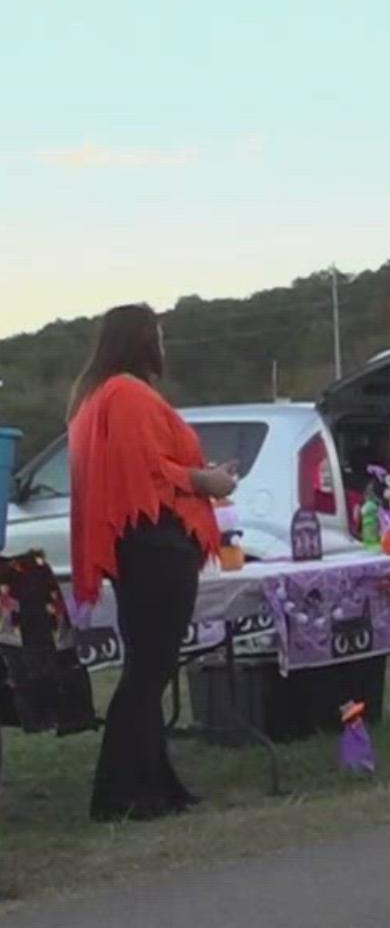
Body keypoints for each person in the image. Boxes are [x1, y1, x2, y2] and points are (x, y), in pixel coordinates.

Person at [67, 305, 235, 821]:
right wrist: (202, 481)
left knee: (149, 669)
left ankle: (154, 785)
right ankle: (122, 794)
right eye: (159, 334)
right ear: (143, 339)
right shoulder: (126, 393)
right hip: (155, 544)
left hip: (138, 546)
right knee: (148, 672)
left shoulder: (98, 396)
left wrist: (193, 477)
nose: (164, 344)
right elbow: (145, 467)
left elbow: (141, 464)